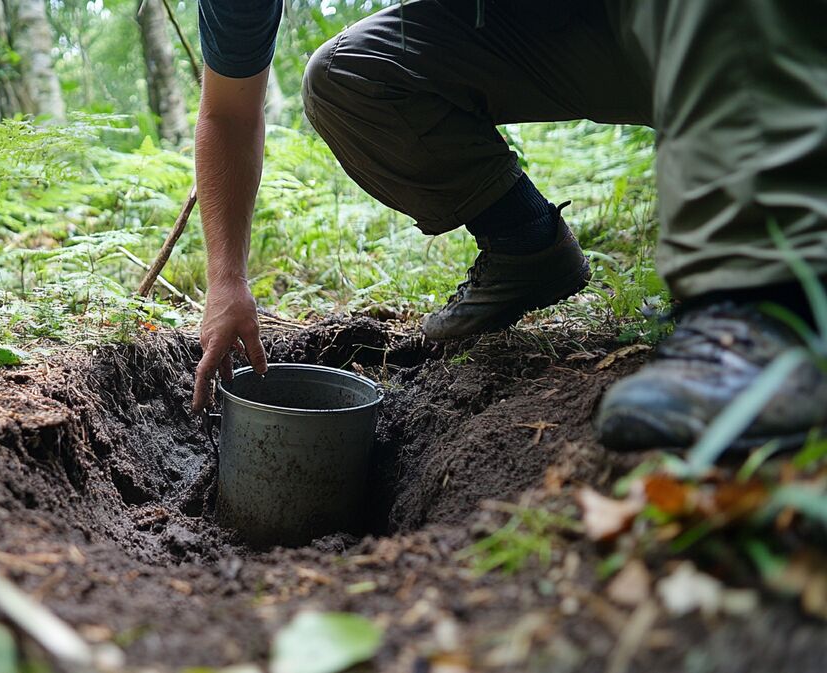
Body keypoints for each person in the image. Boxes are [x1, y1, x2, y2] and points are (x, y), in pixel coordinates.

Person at [190, 0, 827, 453]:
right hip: (568, 36)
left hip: (741, 26)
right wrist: (225, 280)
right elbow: (227, 111)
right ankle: (527, 248)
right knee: (348, 76)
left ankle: (768, 304)